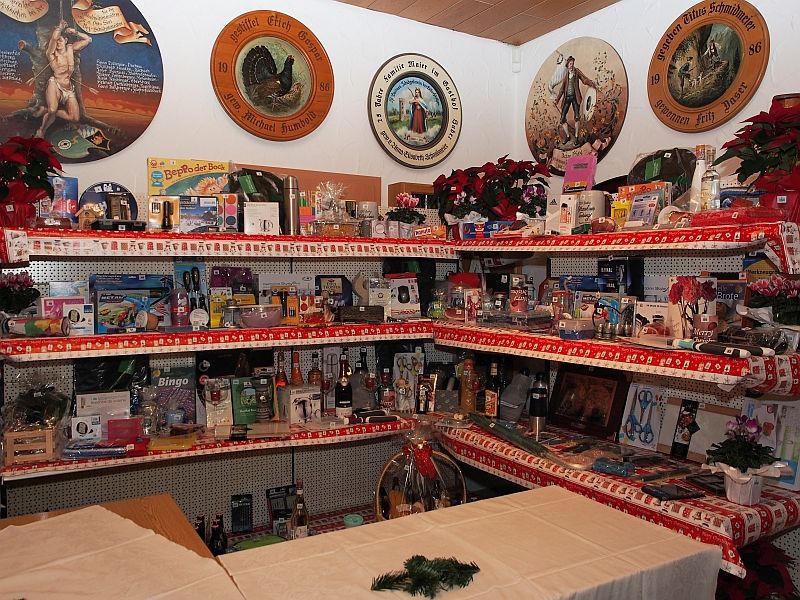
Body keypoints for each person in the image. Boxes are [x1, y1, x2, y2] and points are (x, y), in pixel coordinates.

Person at [35, 20, 92, 138]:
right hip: (55, 84)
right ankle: (41, 130)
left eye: (60, 40)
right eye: (57, 41)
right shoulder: (51, 54)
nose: (58, 43)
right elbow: (53, 39)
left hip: (68, 89)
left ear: (66, 40)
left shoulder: (71, 49)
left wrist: (75, 32)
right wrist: (60, 28)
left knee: (75, 118)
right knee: (52, 110)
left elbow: (88, 40)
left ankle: (46, 110)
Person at [553, 56, 596, 144]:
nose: (572, 65)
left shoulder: (577, 72)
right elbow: (562, 89)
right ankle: (568, 136)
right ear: (567, 65)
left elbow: (584, 79)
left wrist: (591, 83)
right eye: (570, 63)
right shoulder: (566, 75)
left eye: (572, 63)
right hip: (567, 99)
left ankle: (576, 137)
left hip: (575, 98)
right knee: (562, 119)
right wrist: (557, 100)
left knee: (577, 117)